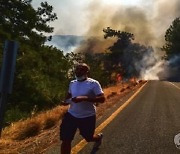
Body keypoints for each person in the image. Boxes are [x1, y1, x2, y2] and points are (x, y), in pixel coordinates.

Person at [60, 63, 105, 154]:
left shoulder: (94, 83)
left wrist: (84, 98)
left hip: (87, 116)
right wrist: (65, 101)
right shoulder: (72, 83)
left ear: (86, 71)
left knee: (88, 138)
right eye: (77, 69)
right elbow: (69, 94)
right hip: (71, 115)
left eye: (81, 69)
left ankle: (98, 138)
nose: (78, 71)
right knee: (66, 140)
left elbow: (102, 99)